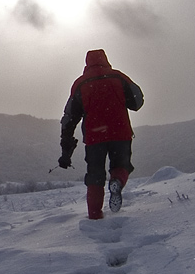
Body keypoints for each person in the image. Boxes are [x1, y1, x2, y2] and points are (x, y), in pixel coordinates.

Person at [58, 49, 144, 218]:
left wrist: (65, 145)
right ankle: (117, 181)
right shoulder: (118, 77)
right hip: (120, 132)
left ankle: (95, 216)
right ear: (106, 60)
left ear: (87, 63)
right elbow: (137, 101)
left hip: (94, 137)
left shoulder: (81, 83)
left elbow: (70, 117)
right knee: (121, 165)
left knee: (95, 175)